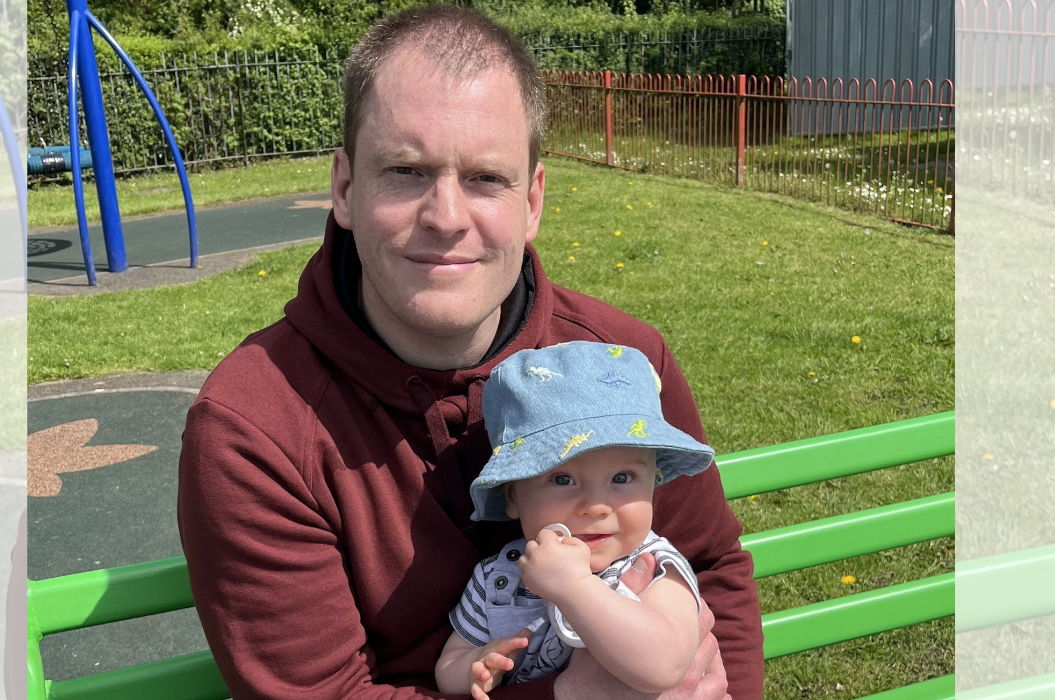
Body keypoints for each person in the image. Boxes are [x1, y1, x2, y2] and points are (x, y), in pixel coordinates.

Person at [177, 6, 764, 699]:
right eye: (404, 170)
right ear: (343, 187)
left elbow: (710, 566)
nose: (447, 216)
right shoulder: (255, 427)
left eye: (486, 178)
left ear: (533, 200)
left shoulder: (622, 359)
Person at [435, 343, 714, 700]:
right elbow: (448, 666)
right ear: (512, 497)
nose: (596, 506)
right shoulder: (497, 579)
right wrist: (475, 664)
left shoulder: (656, 566)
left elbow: (664, 668)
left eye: (622, 478)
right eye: (562, 480)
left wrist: (575, 586)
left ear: (653, 482)